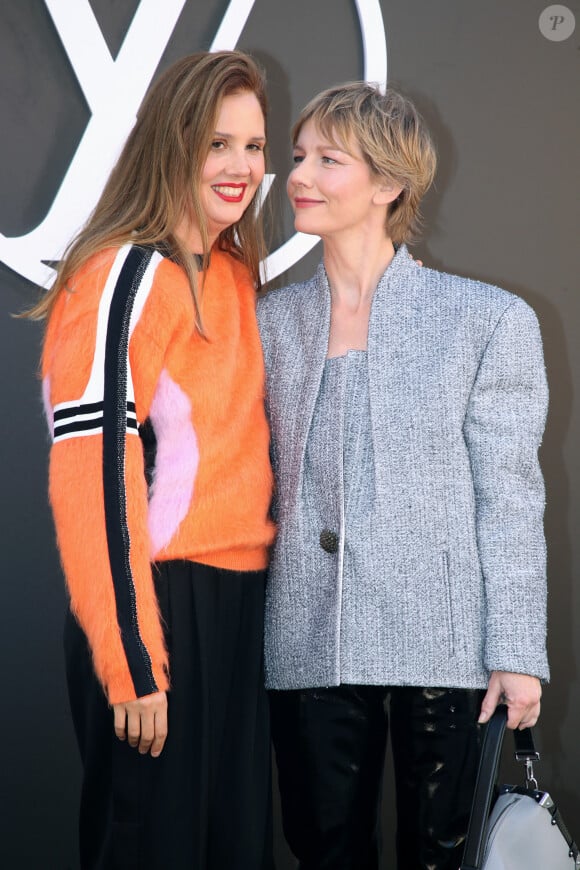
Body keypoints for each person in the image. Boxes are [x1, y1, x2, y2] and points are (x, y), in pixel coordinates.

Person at [257, 82, 549, 870]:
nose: (298, 176)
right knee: (322, 851)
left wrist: (518, 650)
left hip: (444, 647)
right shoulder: (268, 323)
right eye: (297, 158)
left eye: (328, 159)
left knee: (441, 857)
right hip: (306, 639)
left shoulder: (486, 319)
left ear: (388, 184)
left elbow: (511, 496)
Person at [28, 51, 276, 870]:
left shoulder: (234, 273)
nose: (241, 166)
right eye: (217, 143)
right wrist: (133, 658)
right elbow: (94, 475)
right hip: (159, 605)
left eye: (254, 145)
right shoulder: (126, 273)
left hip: (238, 607)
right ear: (171, 144)